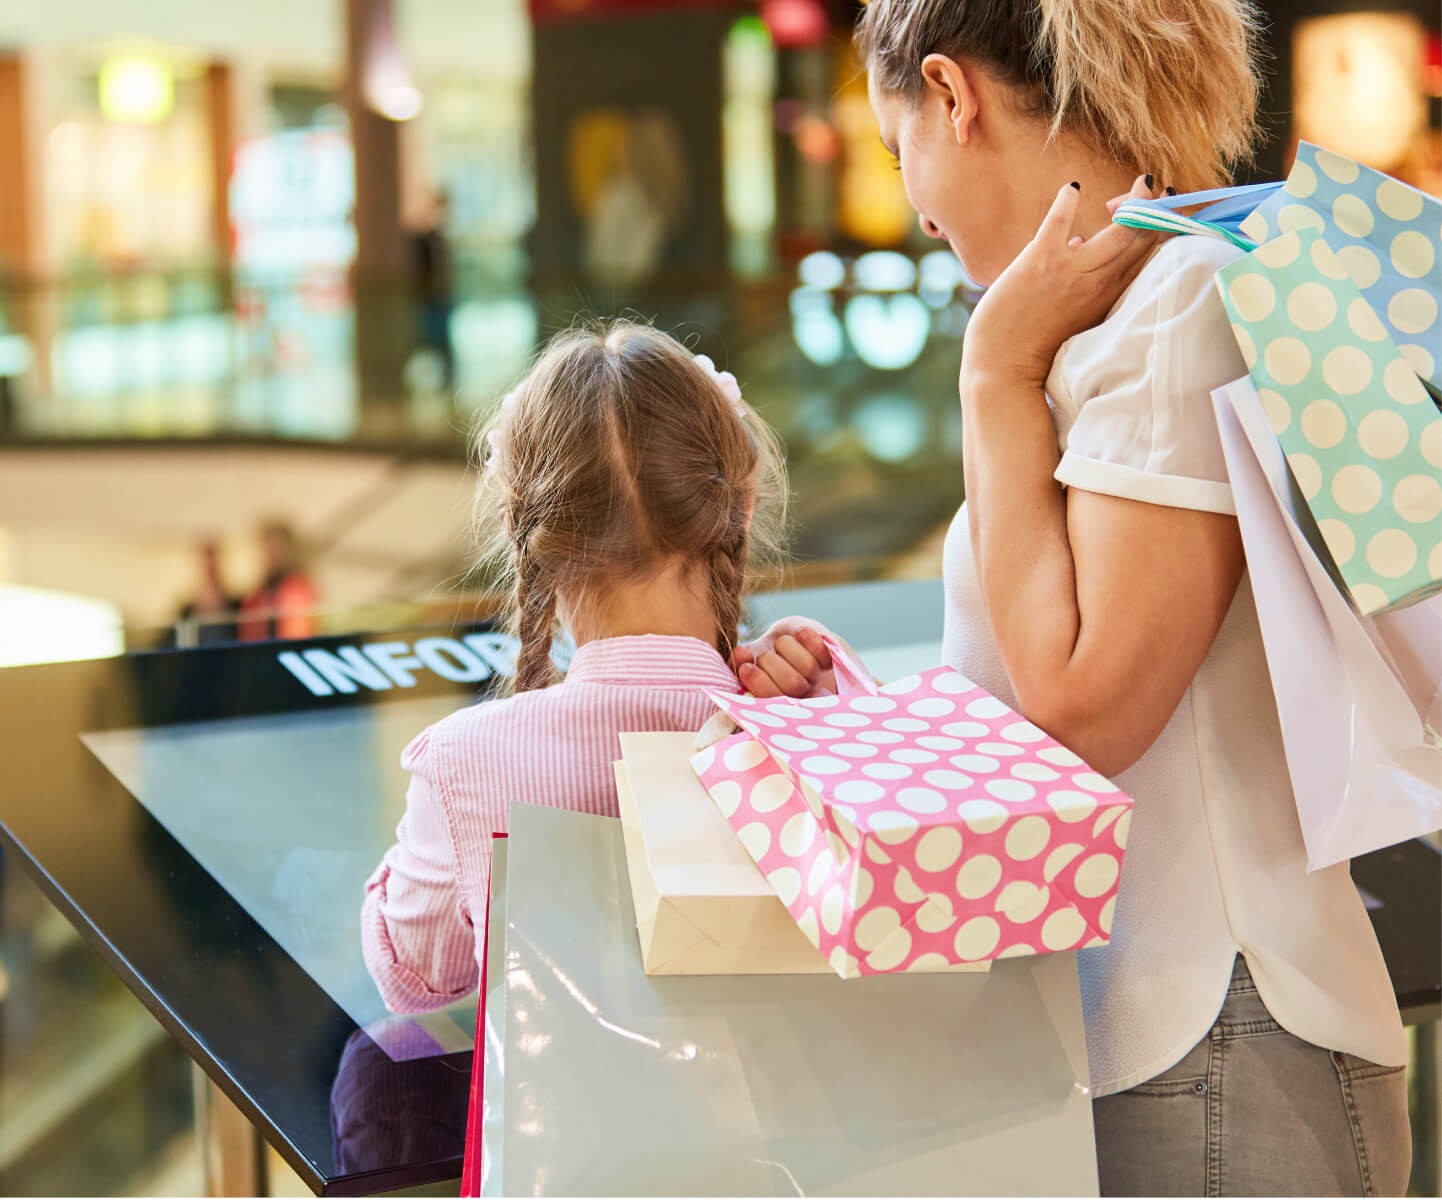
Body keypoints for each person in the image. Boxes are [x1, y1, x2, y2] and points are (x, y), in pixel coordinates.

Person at [735, 0, 1412, 1194]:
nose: (915, 206)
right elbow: (1020, 682)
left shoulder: (1172, 307)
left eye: (902, 156)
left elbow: (1077, 713)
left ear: (953, 95)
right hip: (1171, 1034)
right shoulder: (1130, 312)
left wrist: (989, 370)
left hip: (1215, 1035)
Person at [360, 320, 787, 1013]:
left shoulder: (465, 761)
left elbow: (412, 977)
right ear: (738, 505)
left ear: (520, 528)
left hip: (573, 1121)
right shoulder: (811, 719)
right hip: (798, 1115)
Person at [237, 520, 318, 642]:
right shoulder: (257, 593)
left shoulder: (298, 589)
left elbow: (298, 634)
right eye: (266, 550)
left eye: (275, 549)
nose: (270, 556)